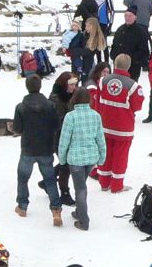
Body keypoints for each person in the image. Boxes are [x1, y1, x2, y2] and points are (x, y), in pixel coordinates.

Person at [89, 55, 144, 194]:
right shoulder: (133, 86)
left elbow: (97, 102)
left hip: (104, 125)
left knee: (105, 154)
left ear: (114, 65)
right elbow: (137, 106)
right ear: (128, 67)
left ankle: (104, 182)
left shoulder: (102, 81)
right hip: (123, 128)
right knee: (120, 156)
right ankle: (117, 185)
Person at [11, 75, 61, 222]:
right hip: (46, 148)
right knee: (50, 180)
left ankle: (22, 206)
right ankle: (56, 210)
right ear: (40, 86)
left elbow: (17, 129)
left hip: (28, 148)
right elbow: (56, 125)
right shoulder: (50, 106)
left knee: (23, 178)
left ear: (27, 87)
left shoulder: (21, 107)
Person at [58, 87, 107, 231]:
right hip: (91, 158)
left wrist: (62, 159)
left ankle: (84, 221)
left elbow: (64, 140)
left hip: (75, 159)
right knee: (81, 185)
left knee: (80, 189)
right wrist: (102, 157)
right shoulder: (96, 115)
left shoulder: (70, 117)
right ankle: (79, 211)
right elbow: (100, 138)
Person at [109, 8, 151, 82]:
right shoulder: (120, 29)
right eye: (126, 16)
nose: (127, 18)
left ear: (135, 17)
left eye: (130, 16)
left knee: (130, 85)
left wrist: (131, 59)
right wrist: (113, 55)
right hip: (118, 65)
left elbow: (144, 50)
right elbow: (114, 44)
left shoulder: (140, 31)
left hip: (133, 66)